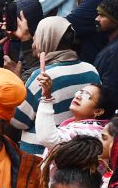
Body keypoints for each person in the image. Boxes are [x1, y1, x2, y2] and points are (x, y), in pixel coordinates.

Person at [11, 17, 101, 156]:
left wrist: (14, 82)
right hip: (76, 153)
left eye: (36, 38)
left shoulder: (42, 76)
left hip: (40, 155)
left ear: (47, 40)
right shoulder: (91, 70)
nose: (34, 44)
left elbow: (19, 121)